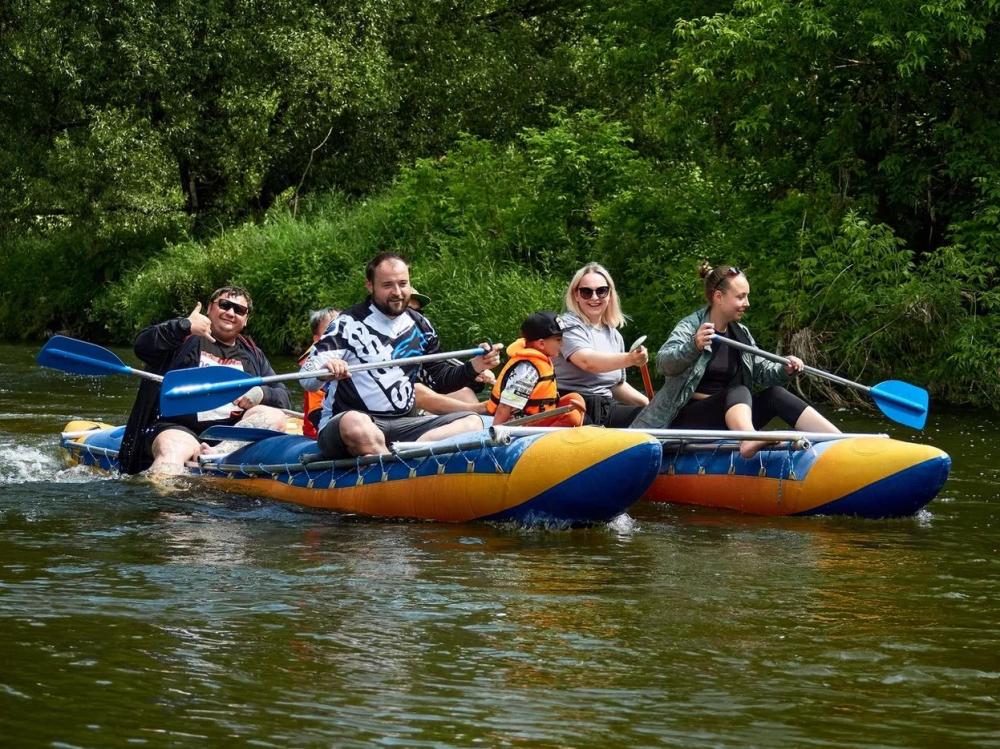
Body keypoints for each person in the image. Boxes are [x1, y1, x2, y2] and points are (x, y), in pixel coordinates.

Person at [300, 252, 502, 458]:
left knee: (472, 422)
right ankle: (393, 465)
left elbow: (440, 380)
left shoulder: (421, 326)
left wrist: (476, 365)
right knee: (356, 423)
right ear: (370, 286)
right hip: (349, 422)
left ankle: (410, 456)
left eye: (403, 284)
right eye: (387, 285)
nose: (397, 292)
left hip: (403, 423)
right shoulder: (346, 323)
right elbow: (306, 378)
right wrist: (325, 371)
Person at [632, 263, 839, 457]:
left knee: (775, 394)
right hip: (688, 418)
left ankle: (840, 440)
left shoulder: (741, 333)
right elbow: (663, 364)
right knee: (739, 390)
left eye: (746, 297)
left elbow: (761, 371)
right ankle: (749, 439)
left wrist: (784, 368)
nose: (746, 303)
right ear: (719, 297)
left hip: (732, 415)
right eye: (741, 297)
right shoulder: (689, 327)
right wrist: (693, 346)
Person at [118, 286, 291, 475]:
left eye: (239, 310)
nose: (231, 313)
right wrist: (182, 326)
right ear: (210, 308)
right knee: (171, 453)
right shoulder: (183, 337)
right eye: (225, 305)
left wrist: (261, 393)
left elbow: (283, 397)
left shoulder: (253, 354)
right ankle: (161, 498)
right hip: (179, 429)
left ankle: (215, 454)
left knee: (276, 416)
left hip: (230, 437)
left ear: (246, 319)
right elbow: (142, 346)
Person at [553, 263, 649, 427]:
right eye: (586, 292)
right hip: (577, 408)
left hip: (605, 407)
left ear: (610, 294)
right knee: (651, 420)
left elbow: (616, 386)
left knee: (659, 415)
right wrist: (630, 358)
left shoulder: (614, 335)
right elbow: (587, 362)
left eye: (601, 291)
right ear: (576, 295)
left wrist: (649, 405)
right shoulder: (567, 326)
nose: (594, 297)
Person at [487, 312, 585, 427]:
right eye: (558, 340)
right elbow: (505, 406)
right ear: (541, 344)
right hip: (520, 424)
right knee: (573, 416)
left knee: (574, 399)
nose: (562, 344)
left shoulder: (541, 361)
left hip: (538, 416)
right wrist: (496, 433)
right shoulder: (528, 370)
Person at [407, 287, 495, 415]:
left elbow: (442, 380)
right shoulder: (378, 347)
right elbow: (420, 394)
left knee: (467, 393)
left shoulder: (426, 342)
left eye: (418, 312)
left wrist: (476, 370)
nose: (415, 318)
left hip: (426, 407)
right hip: (401, 414)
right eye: (408, 312)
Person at [298, 307, 341, 438]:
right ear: (317, 340)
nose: (337, 334)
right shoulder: (313, 369)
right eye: (330, 330)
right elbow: (316, 413)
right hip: (318, 435)